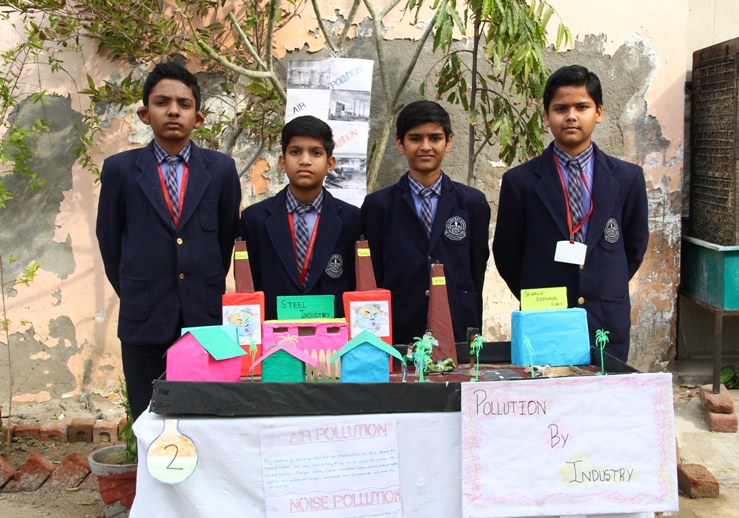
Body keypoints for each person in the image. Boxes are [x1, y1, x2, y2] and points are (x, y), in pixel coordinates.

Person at [96, 61, 241, 419]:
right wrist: (136, 294)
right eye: (162, 102)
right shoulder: (120, 170)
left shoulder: (221, 170)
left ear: (198, 117)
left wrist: (202, 288)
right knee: (148, 418)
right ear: (145, 114)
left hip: (204, 318)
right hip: (144, 319)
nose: (173, 111)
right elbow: (110, 241)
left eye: (184, 104)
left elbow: (225, 239)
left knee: (206, 417)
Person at [492, 65, 649, 362]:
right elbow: (507, 253)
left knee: (602, 388)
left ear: (599, 113)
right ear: (546, 116)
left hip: (605, 315)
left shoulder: (627, 178)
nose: (571, 116)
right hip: (545, 315)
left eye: (582, 107)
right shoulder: (520, 182)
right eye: (561, 108)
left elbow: (634, 246)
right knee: (545, 387)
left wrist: (605, 283)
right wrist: (534, 294)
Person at [361, 100, 490, 346]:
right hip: (400, 327)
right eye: (415, 138)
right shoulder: (379, 205)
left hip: (456, 324)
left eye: (435, 138)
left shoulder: (472, 203)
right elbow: (374, 274)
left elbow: (476, 272)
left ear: (448, 142)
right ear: (400, 144)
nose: (425, 146)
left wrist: (473, 324)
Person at [239, 115, 361, 320]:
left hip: (333, 332)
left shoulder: (351, 218)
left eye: (316, 153)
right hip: (273, 331)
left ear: (330, 164)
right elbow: (248, 285)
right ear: (282, 162)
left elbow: (356, 284)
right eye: (295, 152)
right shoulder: (254, 219)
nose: (305, 160)